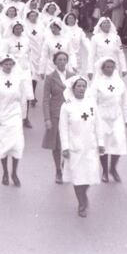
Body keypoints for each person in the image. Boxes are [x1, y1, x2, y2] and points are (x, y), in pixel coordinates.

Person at [59, 76, 105, 218]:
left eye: (83, 86)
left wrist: (101, 143)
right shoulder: (67, 106)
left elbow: (98, 123)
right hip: (75, 147)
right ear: (73, 88)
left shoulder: (91, 103)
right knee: (78, 177)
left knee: (91, 174)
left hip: (90, 146)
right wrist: (65, 147)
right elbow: (63, 128)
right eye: (78, 86)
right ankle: (81, 203)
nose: (81, 89)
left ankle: (83, 193)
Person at [0, 55, 30, 187]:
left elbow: (23, 98)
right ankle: (5, 172)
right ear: (1, 65)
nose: (8, 66)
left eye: (10, 64)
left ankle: (14, 173)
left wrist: (23, 116)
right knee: (3, 146)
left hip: (15, 116)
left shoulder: (18, 78)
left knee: (17, 145)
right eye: (6, 64)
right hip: (1, 116)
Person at [92, 57, 127, 182]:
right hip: (102, 116)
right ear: (102, 68)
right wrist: (93, 119)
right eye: (107, 67)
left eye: (112, 67)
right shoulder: (97, 83)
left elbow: (125, 100)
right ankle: (104, 171)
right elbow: (92, 102)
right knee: (103, 144)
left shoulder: (119, 82)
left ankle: (113, 168)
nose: (109, 69)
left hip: (117, 116)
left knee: (118, 142)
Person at [41, 51, 73, 183]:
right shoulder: (50, 78)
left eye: (64, 59)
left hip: (70, 113)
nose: (62, 62)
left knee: (69, 141)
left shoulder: (72, 76)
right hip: (56, 113)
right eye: (59, 60)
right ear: (55, 62)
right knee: (57, 144)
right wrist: (47, 118)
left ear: (67, 61)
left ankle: (65, 166)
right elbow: (45, 100)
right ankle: (58, 171)